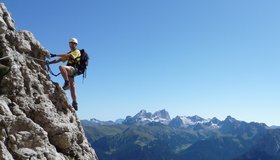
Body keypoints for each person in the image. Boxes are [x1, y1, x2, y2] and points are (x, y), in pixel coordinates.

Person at [48, 38, 81, 111]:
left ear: (75, 44)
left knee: (61, 67)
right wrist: (49, 63)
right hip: (70, 70)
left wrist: (55, 54)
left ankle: (66, 83)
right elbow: (59, 60)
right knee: (72, 87)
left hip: (73, 69)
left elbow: (69, 56)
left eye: (72, 44)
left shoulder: (77, 51)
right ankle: (75, 102)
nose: (71, 45)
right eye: (70, 43)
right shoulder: (69, 53)